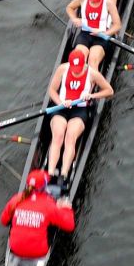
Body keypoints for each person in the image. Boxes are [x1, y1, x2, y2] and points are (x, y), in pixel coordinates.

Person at [46, 49, 114, 192]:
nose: (76, 72)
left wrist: (92, 96)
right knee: (58, 135)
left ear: (84, 64)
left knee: (70, 136)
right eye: (74, 69)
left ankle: (64, 176)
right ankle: (50, 175)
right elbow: (52, 90)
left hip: (80, 109)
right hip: (61, 107)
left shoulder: (93, 74)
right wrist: (59, 102)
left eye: (79, 69)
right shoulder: (62, 69)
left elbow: (109, 91)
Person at [0, 169, 74, 259]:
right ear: (46, 186)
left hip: (15, 248)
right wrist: (65, 208)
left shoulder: (16, 199)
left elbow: (4, 221)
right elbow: (70, 226)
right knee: (52, 221)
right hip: (40, 251)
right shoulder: (49, 204)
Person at [65, 0, 122, 70]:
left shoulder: (109, 3)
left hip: (101, 36)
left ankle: (93, 81)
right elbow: (69, 8)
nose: (95, 0)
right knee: (79, 59)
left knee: (92, 61)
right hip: (85, 34)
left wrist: (105, 34)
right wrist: (74, 19)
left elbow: (117, 25)